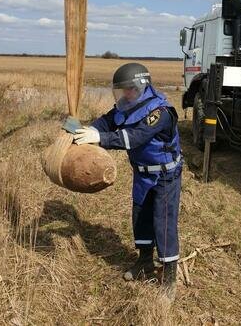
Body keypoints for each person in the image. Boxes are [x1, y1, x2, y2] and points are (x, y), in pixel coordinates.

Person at [73, 62, 183, 301]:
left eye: (127, 90)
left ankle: (169, 277)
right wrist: (89, 130)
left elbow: (134, 136)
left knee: (163, 221)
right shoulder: (128, 105)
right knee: (140, 215)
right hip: (142, 173)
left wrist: (99, 138)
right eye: (120, 90)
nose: (124, 95)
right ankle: (144, 261)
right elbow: (107, 121)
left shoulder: (160, 112)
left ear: (140, 86)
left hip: (165, 175)